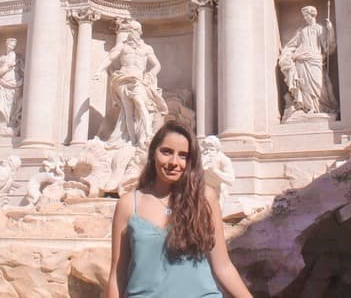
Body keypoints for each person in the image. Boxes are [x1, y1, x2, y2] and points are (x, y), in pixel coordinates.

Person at [107, 121, 252, 298]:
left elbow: (223, 266)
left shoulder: (205, 198)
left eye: (183, 155)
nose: (174, 162)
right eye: (166, 152)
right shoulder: (128, 204)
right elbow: (117, 274)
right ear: (153, 153)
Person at [94, 20, 168, 148]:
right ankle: (132, 140)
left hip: (138, 80)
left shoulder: (146, 48)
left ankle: (148, 133)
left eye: (133, 31)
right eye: (129, 31)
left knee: (140, 102)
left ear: (139, 32)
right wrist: (99, 70)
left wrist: (150, 74)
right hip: (122, 78)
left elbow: (157, 65)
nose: (131, 33)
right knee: (127, 111)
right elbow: (110, 58)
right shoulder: (122, 46)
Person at [278, 6, 337, 120]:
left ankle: (321, 107)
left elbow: (328, 46)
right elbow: (293, 44)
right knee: (304, 85)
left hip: (315, 59)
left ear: (313, 15)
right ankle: (308, 109)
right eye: (304, 16)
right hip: (301, 60)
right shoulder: (302, 30)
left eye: (307, 15)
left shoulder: (320, 29)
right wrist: (286, 54)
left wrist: (331, 30)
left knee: (319, 85)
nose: (305, 18)